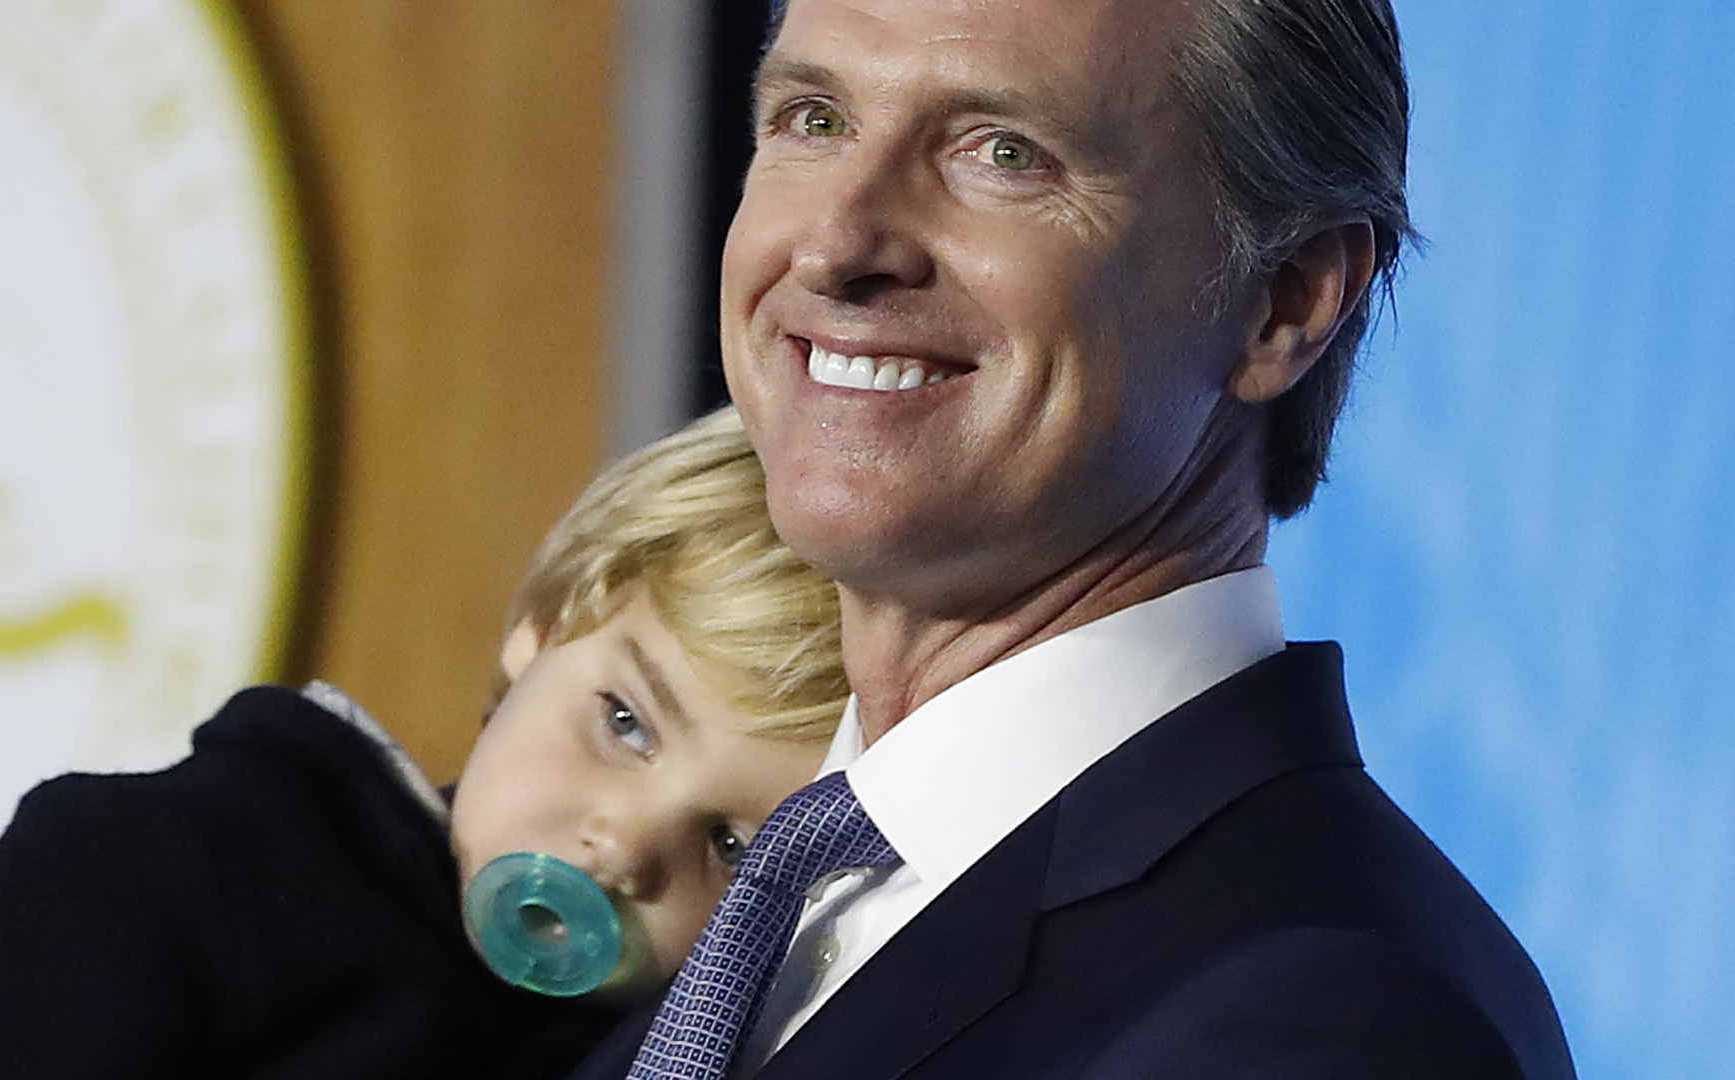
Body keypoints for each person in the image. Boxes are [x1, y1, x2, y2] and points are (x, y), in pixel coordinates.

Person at [570, 0, 1579, 1078]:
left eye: (1005, 153)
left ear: (1284, 302)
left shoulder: (1327, 1017)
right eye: (815, 120)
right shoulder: (723, 911)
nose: (834, 243)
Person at [0, 407, 847, 1080]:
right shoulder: (198, 862)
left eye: (733, 846)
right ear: (542, 629)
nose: (625, 850)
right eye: (625, 724)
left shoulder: (654, 1053)